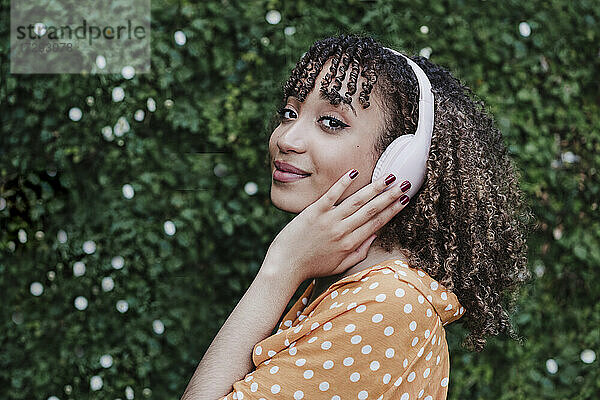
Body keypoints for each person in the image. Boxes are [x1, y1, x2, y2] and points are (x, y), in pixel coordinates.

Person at [181, 34, 532, 400]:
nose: (287, 138)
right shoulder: (352, 285)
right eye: (289, 113)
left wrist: (279, 269)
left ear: (399, 163)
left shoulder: (388, 303)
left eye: (331, 122)